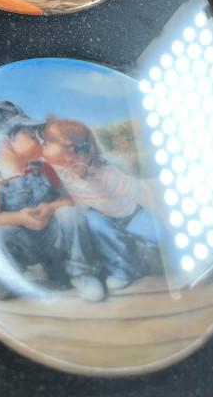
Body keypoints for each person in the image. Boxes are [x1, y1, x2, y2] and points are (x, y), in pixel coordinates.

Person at [0, 101, 103, 302]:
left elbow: (68, 201)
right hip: (22, 243)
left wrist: (50, 207)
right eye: (31, 136)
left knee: (70, 214)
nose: (39, 141)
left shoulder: (44, 169)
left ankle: (81, 273)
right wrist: (19, 218)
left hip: (52, 242)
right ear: (5, 142)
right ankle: (5, 278)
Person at [42, 117, 164, 293]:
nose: (43, 146)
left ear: (68, 148)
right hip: (103, 217)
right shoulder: (61, 173)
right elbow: (42, 162)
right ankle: (122, 272)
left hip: (130, 213)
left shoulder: (105, 171)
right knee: (96, 223)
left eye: (47, 143)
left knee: (156, 232)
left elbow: (136, 190)